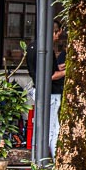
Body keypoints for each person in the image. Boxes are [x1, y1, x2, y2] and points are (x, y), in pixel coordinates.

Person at [25, 19, 67, 158]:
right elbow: (50, 75)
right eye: (58, 33)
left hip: (39, 91)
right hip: (51, 93)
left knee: (42, 127)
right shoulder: (46, 50)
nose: (58, 37)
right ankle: (55, 159)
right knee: (53, 129)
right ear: (54, 31)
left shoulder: (32, 47)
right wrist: (70, 70)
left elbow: (43, 70)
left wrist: (60, 67)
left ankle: (39, 158)